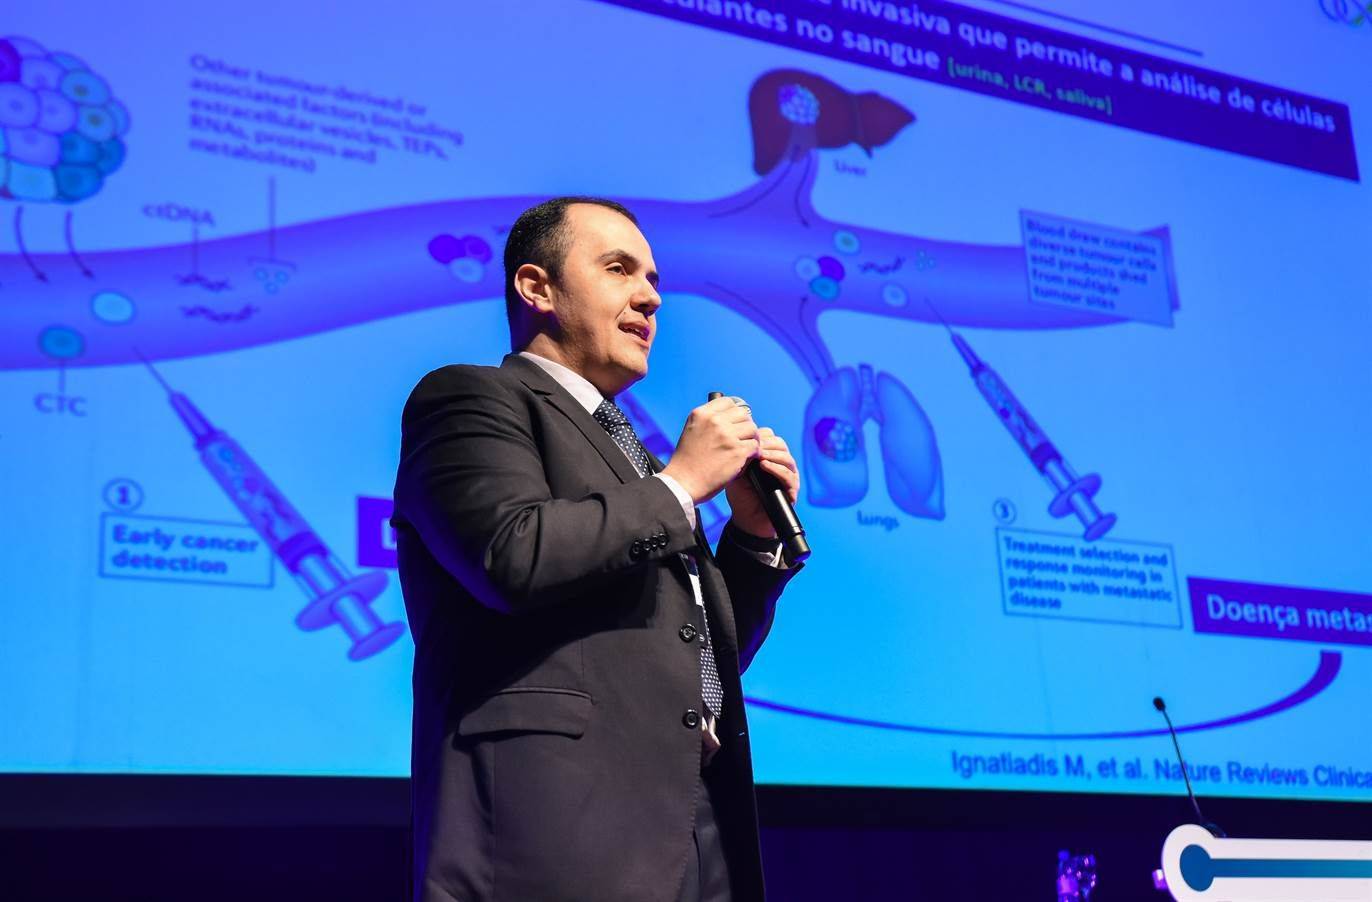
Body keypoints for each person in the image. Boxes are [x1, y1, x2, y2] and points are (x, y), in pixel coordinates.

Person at [392, 196, 804, 902]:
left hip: (691, 822)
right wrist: (681, 485)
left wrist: (751, 536)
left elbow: (687, 654)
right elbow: (510, 556)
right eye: (619, 269)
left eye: (654, 280)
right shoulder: (469, 399)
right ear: (537, 288)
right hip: (554, 829)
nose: (650, 297)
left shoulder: (634, 461)